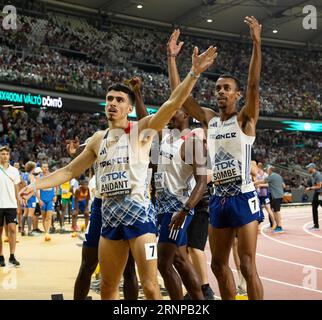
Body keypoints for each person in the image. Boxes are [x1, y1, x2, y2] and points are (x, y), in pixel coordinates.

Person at [20, 47, 216, 300]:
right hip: (110, 216)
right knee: (108, 288)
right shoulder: (97, 139)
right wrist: (36, 185)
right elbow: (69, 170)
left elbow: (172, 104)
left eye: (119, 100)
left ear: (129, 108)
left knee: (150, 286)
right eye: (109, 99)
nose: (112, 103)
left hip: (140, 217)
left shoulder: (142, 131)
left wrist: (193, 73)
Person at [168, 17, 263, 300]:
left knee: (246, 264)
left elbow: (254, 85)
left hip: (243, 195)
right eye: (218, 88)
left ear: (236, 94)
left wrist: (257, 43)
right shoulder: (210, 119)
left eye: (226, 88)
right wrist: (172, 59)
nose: (221, 91)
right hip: (218, 197)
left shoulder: (245, 119)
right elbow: (180, 99)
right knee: (218, 265)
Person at [0, 146, 21, 267]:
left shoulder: (14, 171)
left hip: (11, 204)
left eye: (6, 154)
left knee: (13, 229)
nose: (4, 156)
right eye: (2, 154)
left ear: (9, 156)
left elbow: (16, 188)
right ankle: (1, 256)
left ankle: (12, 256)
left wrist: (18, 204)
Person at [258, 166, 285, 233]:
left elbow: (263, 181)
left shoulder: (272, 176)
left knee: (276, 211)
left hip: (276, 196)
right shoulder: (279, 176)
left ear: (270, 170)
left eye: (268, 170)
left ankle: (279, 227)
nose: (267, 171)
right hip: (278, 195)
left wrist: (254, 183)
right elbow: (284, 185)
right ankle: (278, 225)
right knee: (274, 211)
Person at [255, 162, 276, 229]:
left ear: (259, 168)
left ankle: (274, 223)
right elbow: (256, 185)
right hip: (258, 195)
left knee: (269, 209)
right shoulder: (257, 175)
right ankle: (258, 226)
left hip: (265, 195)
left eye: (257, 168)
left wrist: (260, 185)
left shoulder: (266, 175)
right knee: (258, 211)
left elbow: (268, 184)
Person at [39, 163, 57, 241]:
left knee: (49, 216)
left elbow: (57, 185)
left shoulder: (52, 176)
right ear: (41, 168)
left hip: (50, 198)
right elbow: (36, 189)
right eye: (44, 167)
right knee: (44, 216)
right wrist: (39, 199)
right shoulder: (39, 177)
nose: (46, 168)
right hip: (42, 199)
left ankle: (47, 232)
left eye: (47, 167)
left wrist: (55, 195)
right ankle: (46, 232)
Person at [305, 163, 322, 230]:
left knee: (315, 208)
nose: (307, 169)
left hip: (321, 193)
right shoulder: (313, 175)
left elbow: (319, 186)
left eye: (308, 168)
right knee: (314, 208)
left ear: (312, 168)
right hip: (317, 193)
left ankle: (316, 225)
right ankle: (316, 225)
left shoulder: (318, 175)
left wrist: (310, 188)